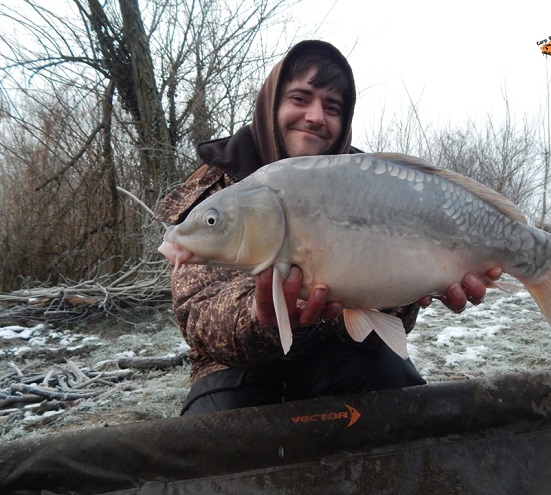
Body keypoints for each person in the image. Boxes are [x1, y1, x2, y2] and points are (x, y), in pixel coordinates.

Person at [154, 40, 500, 415]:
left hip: (341, 352)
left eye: (331, 107)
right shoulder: (217, 188)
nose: (316, 117)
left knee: (393, 388)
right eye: (301, 98)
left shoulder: (373, 181)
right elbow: (200, 321)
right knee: (216, 422)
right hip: (239, 368)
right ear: (271, 104)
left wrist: (410, 294)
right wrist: (261, 317)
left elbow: (388, 314)